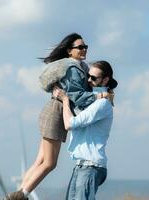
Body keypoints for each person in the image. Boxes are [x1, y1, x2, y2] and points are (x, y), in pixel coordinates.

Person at [4, 33, 111, 200]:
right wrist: (99, 96)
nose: (84, 50)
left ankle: (18, 193)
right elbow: (78, 96)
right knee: (49, 163)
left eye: (85, 47)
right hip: (56, 113)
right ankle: (21, 195)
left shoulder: (79, 67)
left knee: (40, 161)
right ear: (69, 51)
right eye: (80, 47)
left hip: (53, 112)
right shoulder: (73, 69)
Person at [53, 60, 118, 200]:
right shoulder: (94, 102)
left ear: (106, 80)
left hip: (91, 166)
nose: (89, 80)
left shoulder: (102, 104)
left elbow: (70, 123)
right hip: (81, 166)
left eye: (94, 78)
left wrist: (65, 99)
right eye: (88, 76)